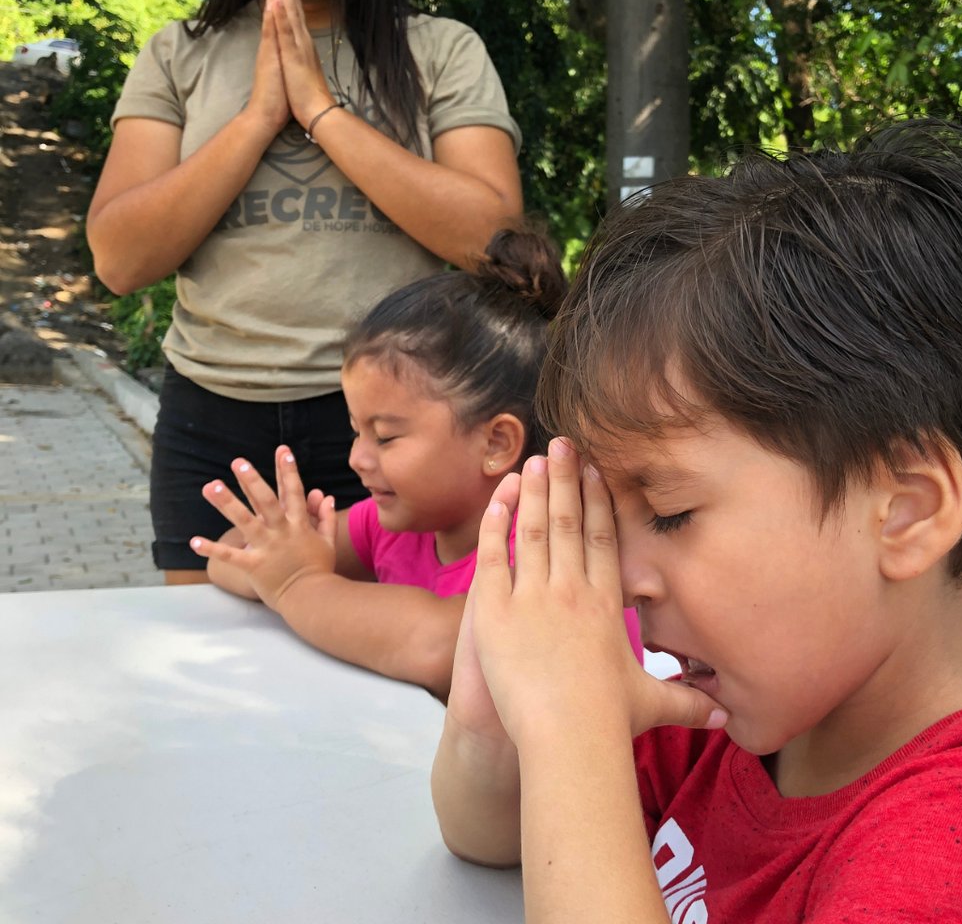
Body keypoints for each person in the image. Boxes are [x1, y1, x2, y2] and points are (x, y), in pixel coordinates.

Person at [431, 122, 962, 921]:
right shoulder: (732, 718)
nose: (622, 580)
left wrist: (569, 733)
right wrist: (499, 705)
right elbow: (488, 835)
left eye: (672, 514)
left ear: (905, 511)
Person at [86, 0, 522, 585]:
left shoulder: (439, 51)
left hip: (394, 432)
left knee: (378, 687)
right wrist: (256, 119)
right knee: (219, 678)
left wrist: (322, 111)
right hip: (211, 422)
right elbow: (118, 257)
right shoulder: (179, 53)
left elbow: (494, 240)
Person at [189, 229, 643, 700]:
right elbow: (231, 556)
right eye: (356, 430)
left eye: (385, 436)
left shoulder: (549, 544)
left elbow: (439, 645)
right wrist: (282, 549)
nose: (356, 458)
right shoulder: (399, 524)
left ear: (496, 442)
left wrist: (297, 583)